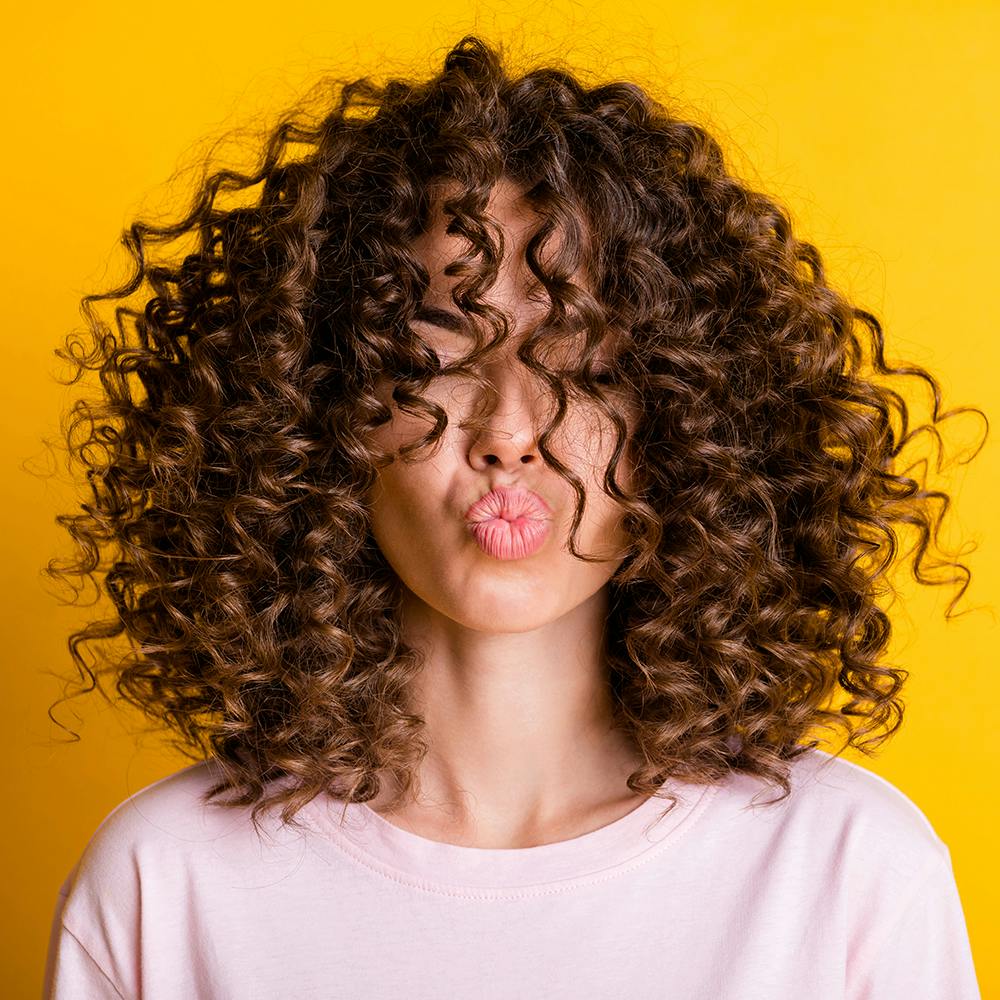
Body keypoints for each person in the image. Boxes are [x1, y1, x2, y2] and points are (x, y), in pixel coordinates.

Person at [42, 33, 984, 999]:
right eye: (441, 359)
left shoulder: (846, 872)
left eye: (582, 367)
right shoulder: (166, 884)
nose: (510, 434)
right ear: (321, 413)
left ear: (688, 421)